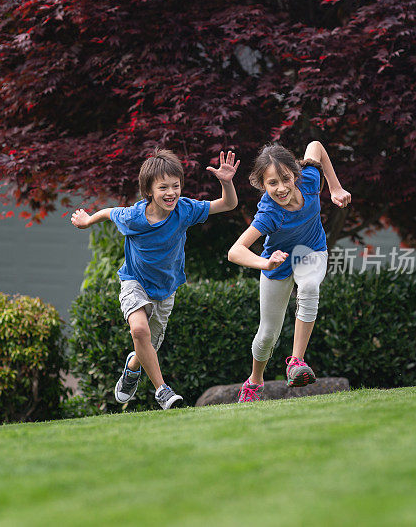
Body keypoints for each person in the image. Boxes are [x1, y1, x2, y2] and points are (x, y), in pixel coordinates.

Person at [72, 149, 239, 409]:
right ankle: (163, 391)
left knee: (147, 346)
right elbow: (109, 212)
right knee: (139, 330)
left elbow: (228, 205)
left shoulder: (184, 210)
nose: (171, 192)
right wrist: (87, 220)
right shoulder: (133, 217)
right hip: (134, 281)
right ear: (149, 190)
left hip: (165, 289)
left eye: (176, 186)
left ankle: (132, 368)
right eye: (163, 187)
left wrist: (226, 183)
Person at [227, 141, 351, 402]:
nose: (281, 188)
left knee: (308, 287)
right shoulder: (269, 213)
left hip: (312, 251)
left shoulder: (310, 180)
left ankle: (296, 361)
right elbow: (235, 251)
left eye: (286, 179)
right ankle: (254, 382)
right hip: (277, 264)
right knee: (267, 336)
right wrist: (266, 263)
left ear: (296, 174)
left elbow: (315, 146)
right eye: (272, 183)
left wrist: (335, 186)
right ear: (263, 185)